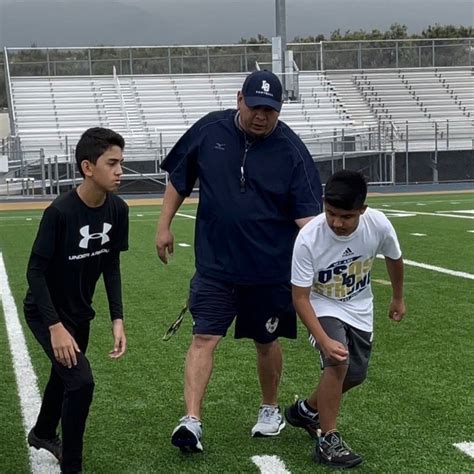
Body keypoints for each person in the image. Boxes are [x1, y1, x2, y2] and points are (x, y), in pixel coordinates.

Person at [155, 69, 323, 452]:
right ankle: (192, 420)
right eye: (255, 106)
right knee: (203, 337)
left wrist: (325, 256)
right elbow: (179, 179)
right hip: (216, 266)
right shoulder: (209, 130)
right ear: (239, 99)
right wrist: (163, 226)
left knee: (266, 340)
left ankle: (269, 409)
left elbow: (308, 217)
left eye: (271, 110)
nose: (262, 116)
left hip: (268, 269)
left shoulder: (292, 150)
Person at [24, 127, 129, 473]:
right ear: (88, 167)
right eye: (111, 163)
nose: (119, 171)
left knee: (64, 375)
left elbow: (111, 264)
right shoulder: (60, 213)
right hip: (46, 312)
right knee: (81, 382)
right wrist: (55, 327)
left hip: (80, 313)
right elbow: (35, 272)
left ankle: (41, 432)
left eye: (121, 163)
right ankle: (72, 465)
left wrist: (117, 318)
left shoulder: (119, 210)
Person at [287, 169, 406, 469]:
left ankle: (307, 409)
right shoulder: (308, 238)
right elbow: (300, 297)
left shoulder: (377, 224)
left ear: (362, 211)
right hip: (321, 304)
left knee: (355, 375)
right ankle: (328, 440)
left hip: (359, 306)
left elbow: (394, 258)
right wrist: (324, 340)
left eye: (346, 216)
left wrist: (397, 297)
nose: (337, 223)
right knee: (338, 361)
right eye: (331, 213)